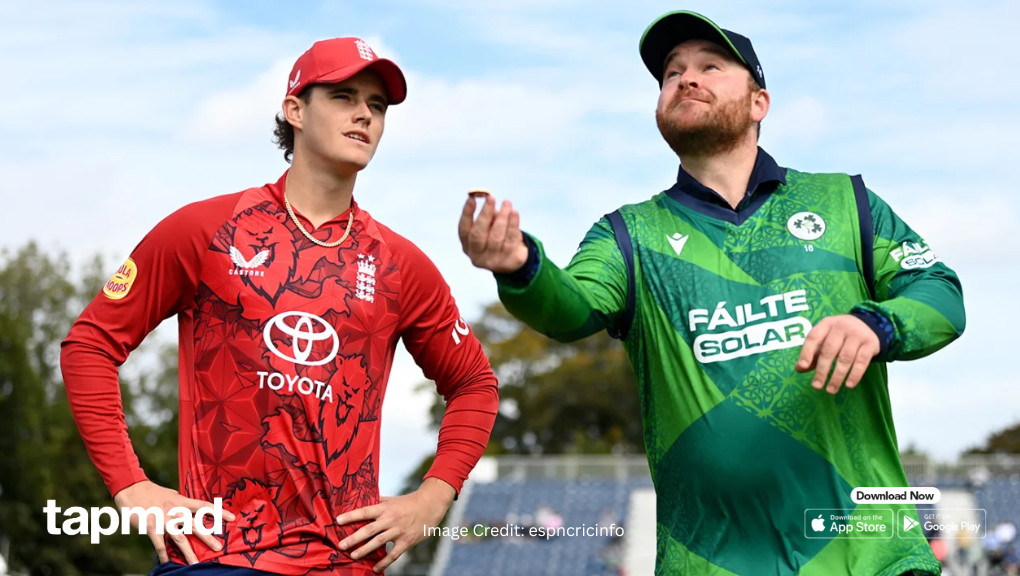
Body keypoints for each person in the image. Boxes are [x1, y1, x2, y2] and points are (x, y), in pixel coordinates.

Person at [458, 10, 965, 576]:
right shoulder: (628, 234)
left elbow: (940, 293)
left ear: (758, 102)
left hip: (868, 556)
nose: (685, 78)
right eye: (671, 73)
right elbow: (572, 307)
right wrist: (523, 265)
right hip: (710, 562)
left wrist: (877, 324)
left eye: (710, 65)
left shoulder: (845, 201)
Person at [61, 37, 499, 575]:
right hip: (217, 557)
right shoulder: (205, 229)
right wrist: (131, 484)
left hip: (347, 564)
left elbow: (475, 383)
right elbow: (90, 344)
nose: (364, 113)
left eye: (377, 105)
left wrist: (433, 498)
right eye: (344, 96)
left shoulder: (400, 265)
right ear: (294, 109)